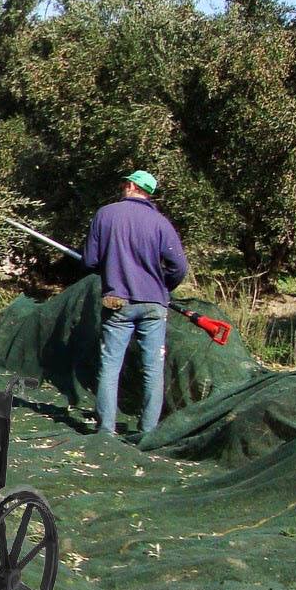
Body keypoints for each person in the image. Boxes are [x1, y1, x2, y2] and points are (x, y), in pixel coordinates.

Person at [82, 169, 188, 436]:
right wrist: (163, 286)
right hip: (154, 303)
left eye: (124, 183)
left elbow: (90, 261)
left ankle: (106, 430)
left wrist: (109, 266)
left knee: (110, 366)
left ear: (130, 186)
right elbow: (179, 266)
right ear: (148, 193)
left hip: (116, 300)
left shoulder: (105, 214)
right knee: (152, 369)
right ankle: (148, 431)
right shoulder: (160, 222)